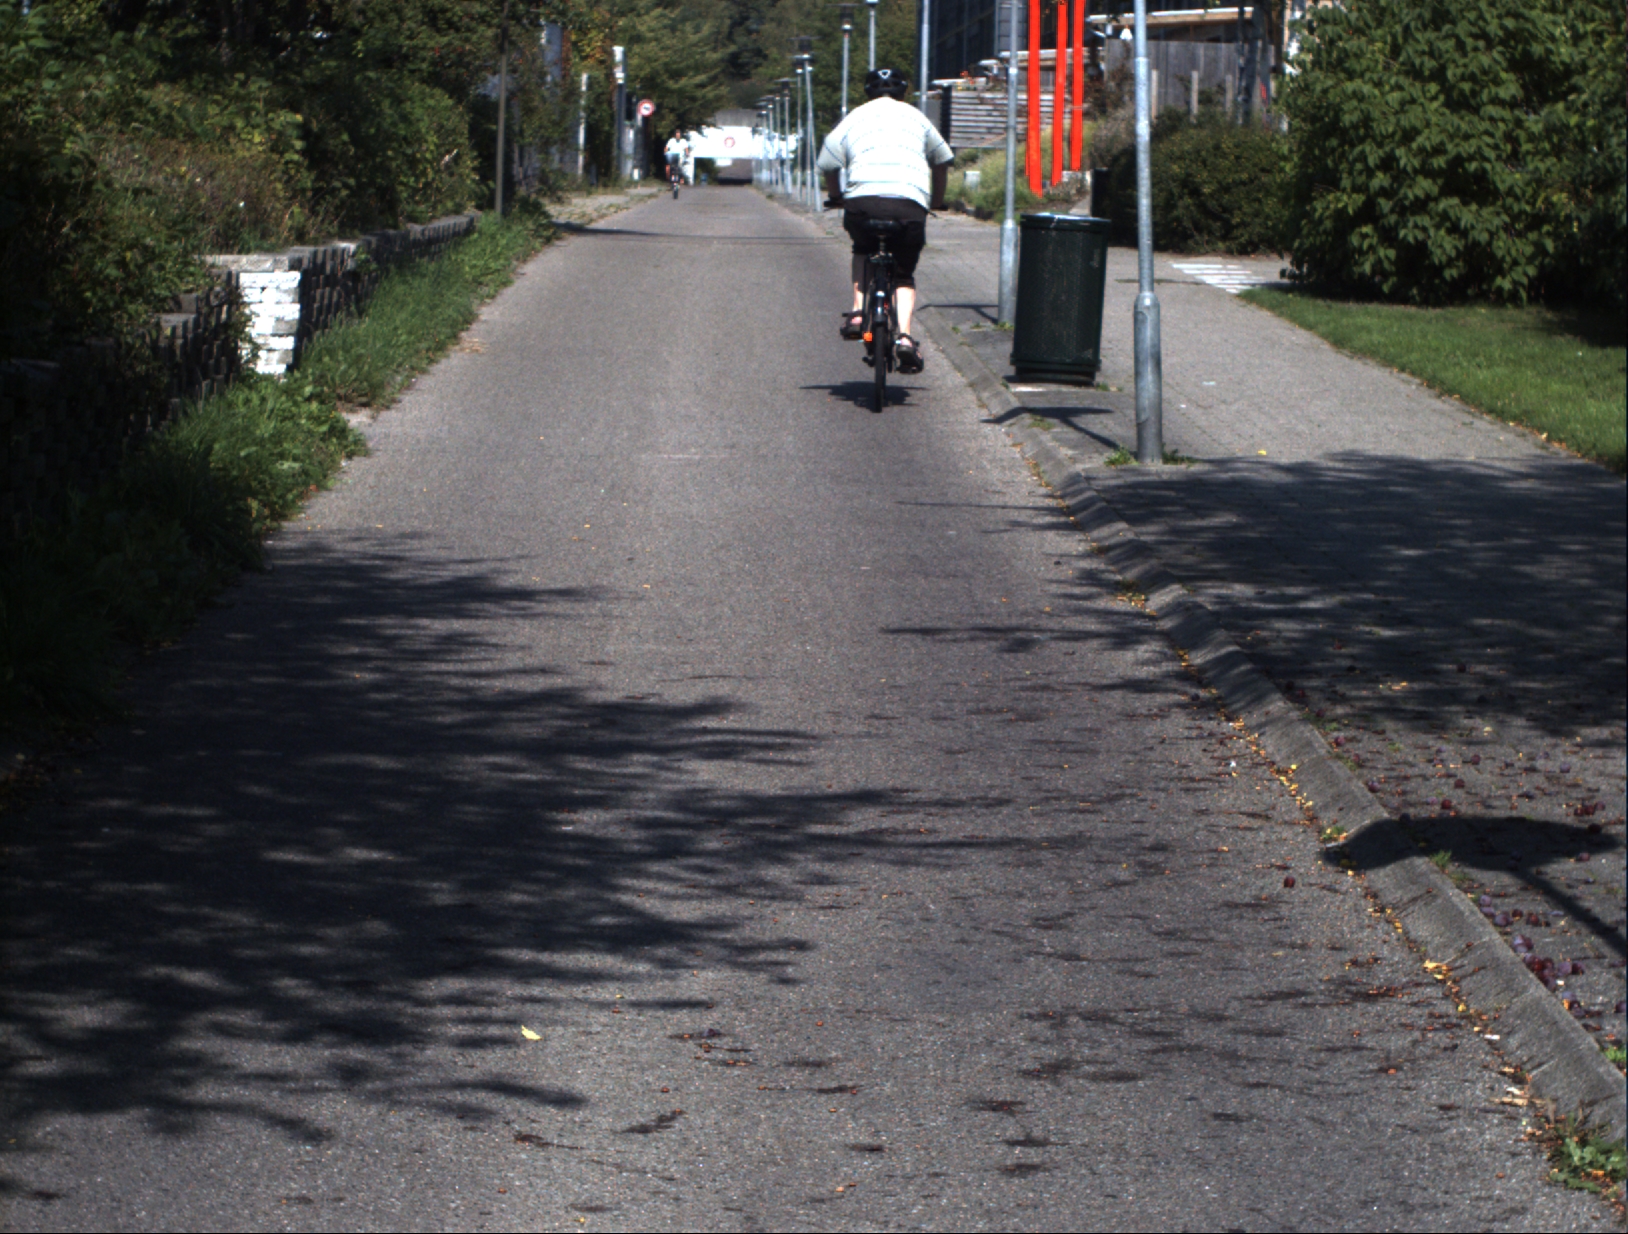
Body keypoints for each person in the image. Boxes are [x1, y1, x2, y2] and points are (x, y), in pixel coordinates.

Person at [816, 67, 954, 374]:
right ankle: (904, 338)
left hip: (862, 203)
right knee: (903, 274)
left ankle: (856, 314)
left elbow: (827, 161)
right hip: (909, 206)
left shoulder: (854, 117)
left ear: (867, 93)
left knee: (862, 249)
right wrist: (936, 201)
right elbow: (942, 160)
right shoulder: (917, 117)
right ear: (904, 91)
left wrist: (836, 195)